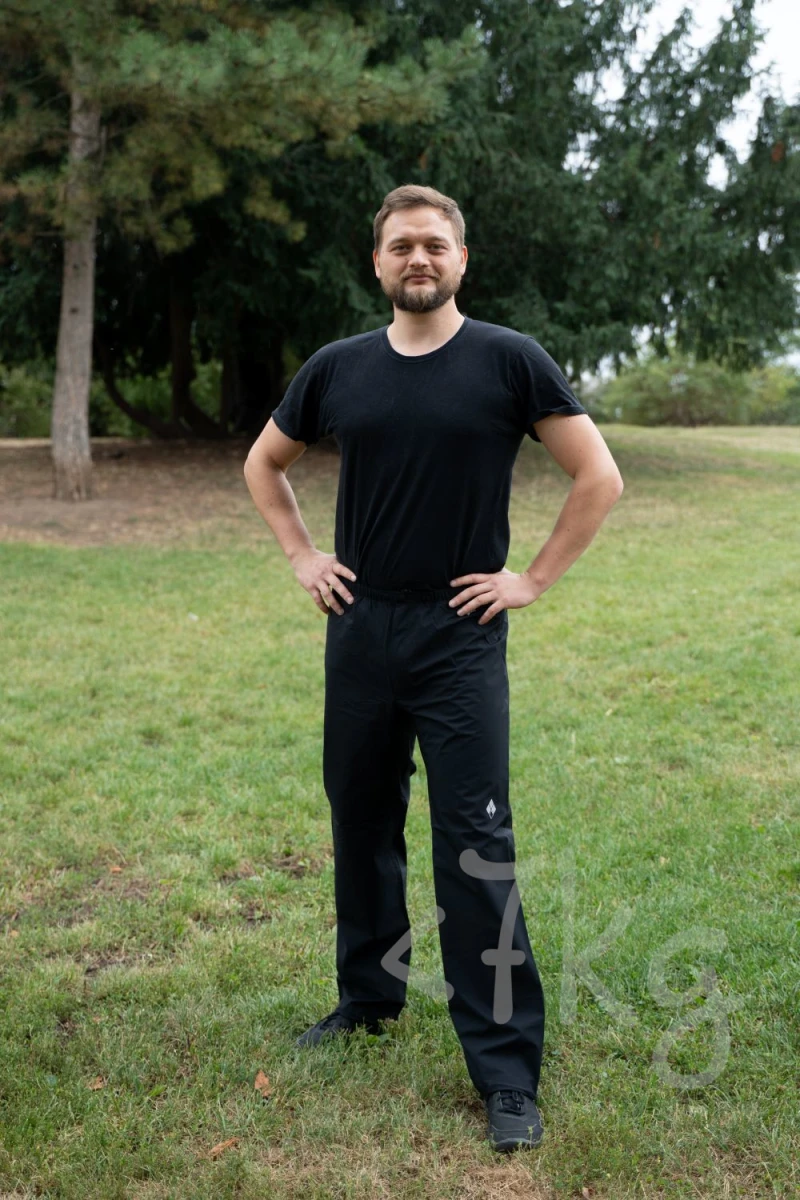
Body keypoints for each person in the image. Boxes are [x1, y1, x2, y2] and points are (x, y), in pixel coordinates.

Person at [243, 184, 624, 1152]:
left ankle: (505, 1071)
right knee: (361, 822)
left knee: (474, 846)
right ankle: (368, 1000)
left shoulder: (507, 359)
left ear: (461, 260)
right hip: (360, 628)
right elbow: (263, 463)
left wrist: (530, 580)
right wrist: (301, 555)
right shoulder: (338, 368)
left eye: (434, 245)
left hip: (459, 634)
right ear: (377, 262)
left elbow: (597, 475)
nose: (418, 258)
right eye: (401, 245)